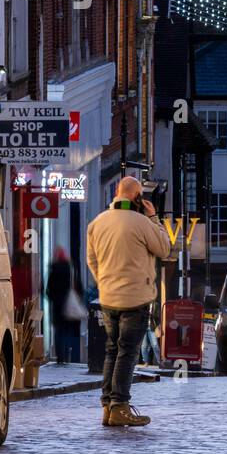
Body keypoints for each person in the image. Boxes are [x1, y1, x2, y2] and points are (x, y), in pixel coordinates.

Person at [86, 177, 172, 427]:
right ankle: (120, 406)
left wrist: (104, 282)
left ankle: (107, 405)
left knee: (112, 350)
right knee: (127, 352)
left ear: (116, 192)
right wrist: (154, 217)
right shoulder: (142, 223)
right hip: (135, 298)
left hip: (108, 297)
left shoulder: (96, 223)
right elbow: (164, 249)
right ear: (137, 198)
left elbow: (91, 260)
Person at [46, 247, 76, 364]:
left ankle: (60, 357)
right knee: (67, 330)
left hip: (56, 304)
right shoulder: (69, 268)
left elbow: (48, 288)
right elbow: (74, 286)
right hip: (67, 303)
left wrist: (52, 298)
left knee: (58, 330)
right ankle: (67, 355)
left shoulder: (53, 269)